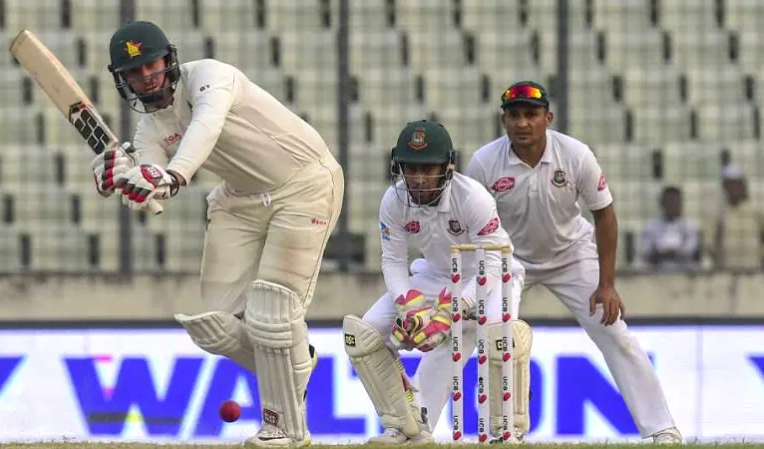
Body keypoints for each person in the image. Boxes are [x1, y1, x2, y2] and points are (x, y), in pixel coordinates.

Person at [92, 21, 344, 448]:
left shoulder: (210, 75)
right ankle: (298, 361)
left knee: (272, 312)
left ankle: (282, 429)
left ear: (168, 59)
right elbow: (153, 195)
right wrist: (125, 181)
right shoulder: (150, 127)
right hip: (240, 201)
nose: (145, 76)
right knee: (219, 326)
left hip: (304, 186)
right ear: (123, 80)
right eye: (133, 72)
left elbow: (204, 129)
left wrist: (173, 174)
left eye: (150, 64)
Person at [465, 81, 682, 443]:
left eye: (531, 115)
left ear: (547, 118)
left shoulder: (576, 154)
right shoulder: (485, 162)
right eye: (514, 115)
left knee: (615, 333)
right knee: (496, 338)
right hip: (506, 257)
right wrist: (476, 283)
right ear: (504, 120)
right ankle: (501, 430)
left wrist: (607, 284)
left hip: (571, 255)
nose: (523, 123)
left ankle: (661, 428)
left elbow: (606, 216)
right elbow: (470, 226)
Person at [342, 120, 532, 444]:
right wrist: (408, 305)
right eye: (409, 168)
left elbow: (492, 259)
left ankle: (505, 431)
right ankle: (406, 425)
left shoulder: (472, 198)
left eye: (427, 168)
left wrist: (453, 309)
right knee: (366, 335)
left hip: (491, 275)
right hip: (435, 275)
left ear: (447, 167)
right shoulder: (394, 199)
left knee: (499, 337)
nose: (417, 178)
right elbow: (392, 260)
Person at [708, 164, 764, 270]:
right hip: (726, 272)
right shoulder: (718, 212)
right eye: (730, 184)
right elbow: (710, 245)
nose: (734, 188)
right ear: (724, 186)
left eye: (737, 184)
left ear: (743, 185)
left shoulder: (756, 210)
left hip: (754, 271)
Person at [640, 186, 700, 271]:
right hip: (657, 274)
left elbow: (690, 251)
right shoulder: (651, 226)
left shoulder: (689, 226)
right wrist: (665, 254)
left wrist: (668, 254)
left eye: (675, 201)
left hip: (683, 274)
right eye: (669, 201)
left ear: (680, 203)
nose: (672, 205)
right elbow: (646, 252)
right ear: (662, 203)